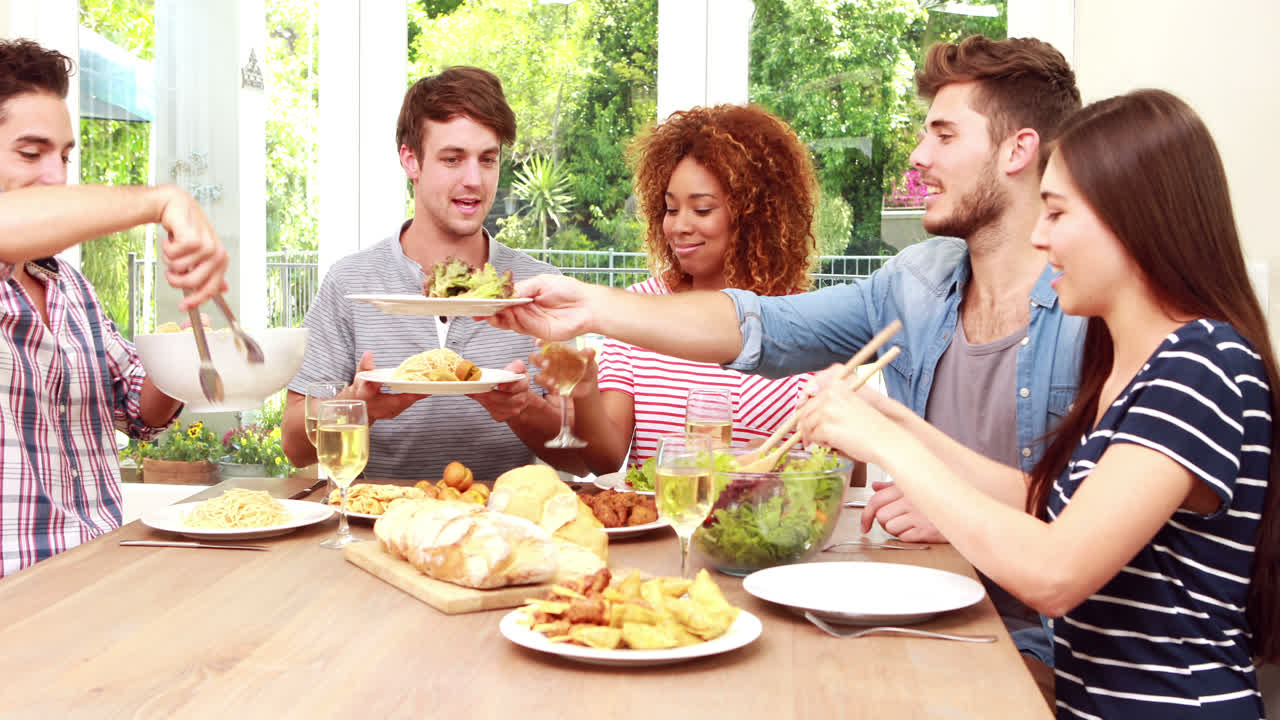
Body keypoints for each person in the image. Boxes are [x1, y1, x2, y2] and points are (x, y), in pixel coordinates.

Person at [490, 35, 1084, 661]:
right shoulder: (916, 281)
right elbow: (761, 327)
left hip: (1047, 652)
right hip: (927, 609)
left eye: (943, 135)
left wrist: (952, 504)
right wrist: (594, 307)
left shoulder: (1097, 312)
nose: (917, 156)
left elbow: (1096, 523)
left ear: (1019, 150)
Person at [796, 88, 1279, 719]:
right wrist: (900, 422)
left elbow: (1055, 573)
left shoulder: (1202, 365)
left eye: (1055, 213)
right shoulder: (1134, 366)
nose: (1040, 238)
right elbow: (1046, 503)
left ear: (1132, 219)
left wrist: (885, 445)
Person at [0, 38, 231, 576]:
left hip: (100, 575)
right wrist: (164, 200)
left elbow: (139, 411)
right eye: (31, 153)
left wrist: (180, 343)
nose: (57, 175)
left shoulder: (69, 287)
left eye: (63, 156)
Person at [282, 66, 577, 483]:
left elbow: (581, 457)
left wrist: (525, 410)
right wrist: (356, 407)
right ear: (411, 160)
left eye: (487, 159)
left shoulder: (536, 285)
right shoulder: (351, 282)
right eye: (452, 159)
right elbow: (293, 446)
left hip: (500, 532)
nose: (473, 181)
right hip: (375, 525)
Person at [531, 104, 819, 473]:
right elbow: (606, 459)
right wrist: (585, 392)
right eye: (670, 209)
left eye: (701, 210)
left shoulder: (805, 320)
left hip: (762, 525)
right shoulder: (638, 308)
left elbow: (847, 471)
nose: (678, 227)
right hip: (665, 526)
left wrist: (788, 457)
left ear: (754, 215)